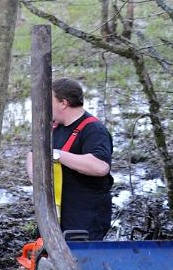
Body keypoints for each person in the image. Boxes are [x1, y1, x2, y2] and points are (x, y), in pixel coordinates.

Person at [26, 77, 113, 240]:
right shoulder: (53, 126)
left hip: (85, 218)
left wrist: (58, 155)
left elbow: (100, 167)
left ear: (63, 103)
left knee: (82, 263)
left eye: (49, 101)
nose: (45, 106)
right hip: (56, 216)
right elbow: (33, 153)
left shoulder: (94, 130)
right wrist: (35, 178)